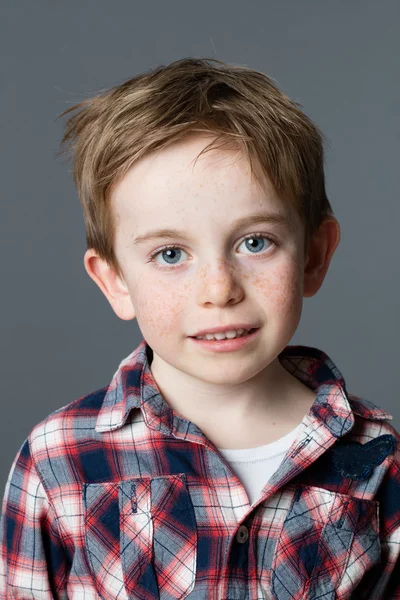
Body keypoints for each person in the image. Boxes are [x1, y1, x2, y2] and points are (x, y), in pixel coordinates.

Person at [1, 57, 399, 600]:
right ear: (115, 280)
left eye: (255, 242)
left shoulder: (379, 457)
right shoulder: (58, 459)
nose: (219, 288)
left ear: (313, 256)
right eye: (170, 254)